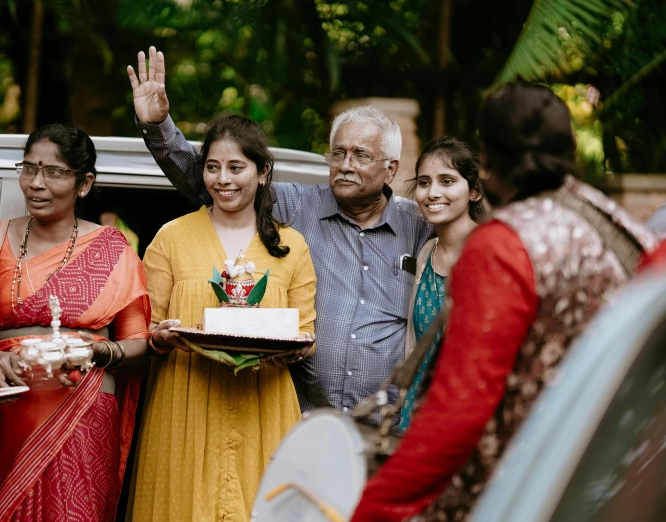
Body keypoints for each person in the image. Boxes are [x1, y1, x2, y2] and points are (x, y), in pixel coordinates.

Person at [350, 81, 658, 521]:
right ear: (569, 149)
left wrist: (374, 509)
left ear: (488, 161)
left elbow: (460, 413)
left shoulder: (501, 245)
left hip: (524, 493)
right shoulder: (617, 222)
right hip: (613, 481)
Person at [128, 47, 432, 417]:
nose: (346, 165)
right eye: (338, 153)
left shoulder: (420, 226)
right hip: (306, 419)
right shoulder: (297, 207)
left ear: (391, 169)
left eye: (361, 156)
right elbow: (220, 183)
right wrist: (158, 127)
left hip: (390, 423)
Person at [127, 115, 317, 522]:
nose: (222, 179)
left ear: (263, 172)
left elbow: (306, 334)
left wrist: (293, 346)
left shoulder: (292, 246)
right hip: (186, 402)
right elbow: (144, 330)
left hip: (263, 404)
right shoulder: (171, 238)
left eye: (236, 167)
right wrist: (161, 337)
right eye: (212, 167)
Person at [0, 124, 151, 522]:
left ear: (84, 184)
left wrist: (98, 352)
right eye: (29, 169)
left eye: (54, 172)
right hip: (2, 418)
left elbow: (140, 346)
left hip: (82, 415)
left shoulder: (114, 250)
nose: (36, 184)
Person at [399, 137, 483, 429]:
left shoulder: (488, 254)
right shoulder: (424, 253)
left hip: (466, 417)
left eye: (447, 181)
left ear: (474, 191)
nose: (433, 193)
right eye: (424, 182)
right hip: (415, 415)